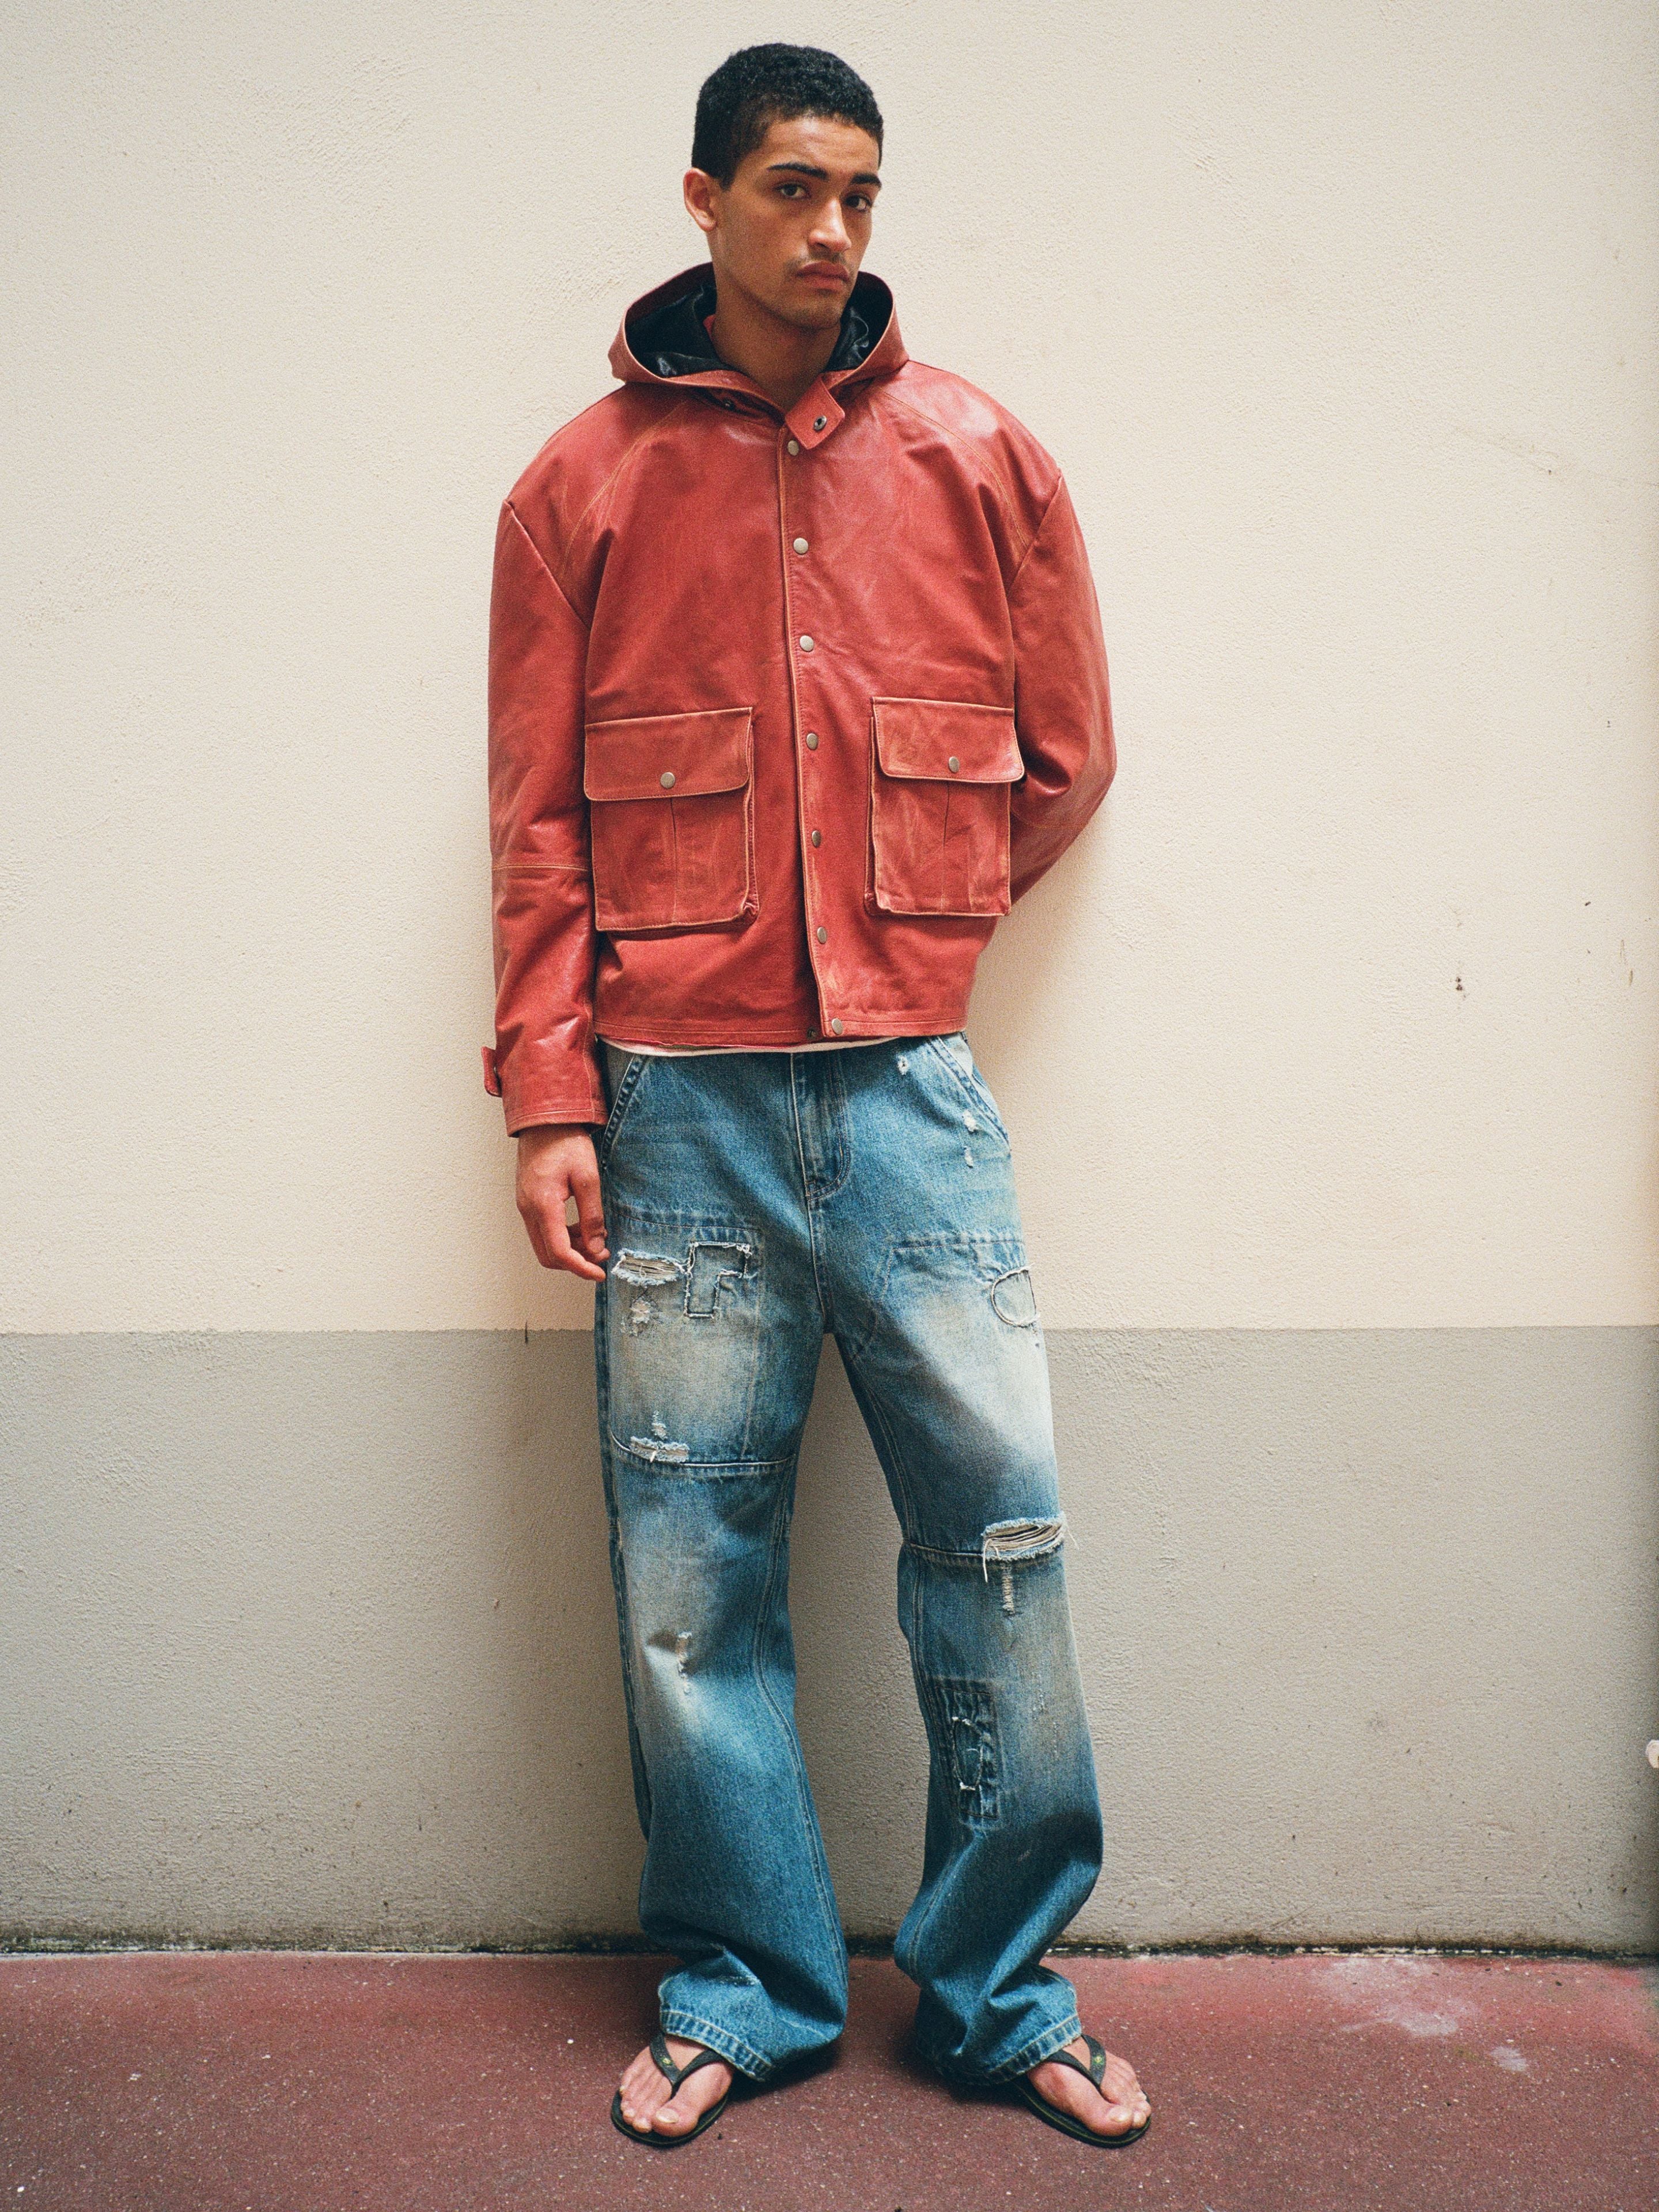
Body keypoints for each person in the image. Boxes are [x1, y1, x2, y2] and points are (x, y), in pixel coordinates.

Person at [483, 41, 1151, 2153]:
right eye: (790, 186)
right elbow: (533, 833)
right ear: (702, 199)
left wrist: (914, 930)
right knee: (694, 1578)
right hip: (671, 1107)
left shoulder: (981, 459)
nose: (834, 228)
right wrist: (550, 1095)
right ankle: (747, 1989)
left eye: (860, 189)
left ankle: (997, 1985)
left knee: (1004, 1545)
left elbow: (1067, 758)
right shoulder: (574, 488)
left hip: (912, 1101)